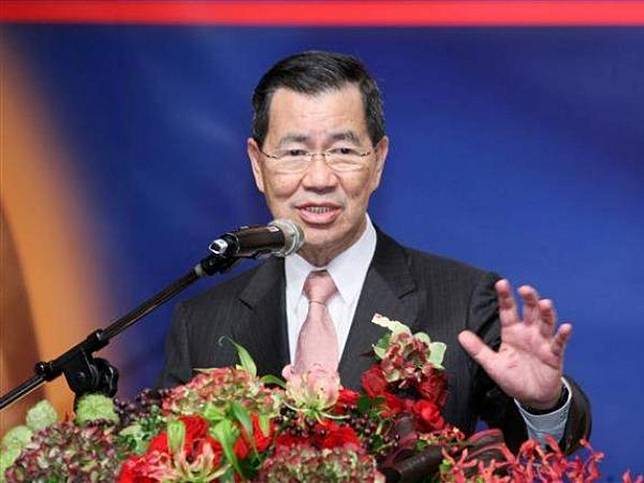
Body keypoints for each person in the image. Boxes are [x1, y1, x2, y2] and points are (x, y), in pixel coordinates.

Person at [158, 50, 590, 453]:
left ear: (378, 161)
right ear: (258, 165)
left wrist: (543, 405)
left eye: (343, 151)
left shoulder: (463, 301)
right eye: (295, 152)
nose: (319, 178)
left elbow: (541, 451)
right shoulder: (202, 323)